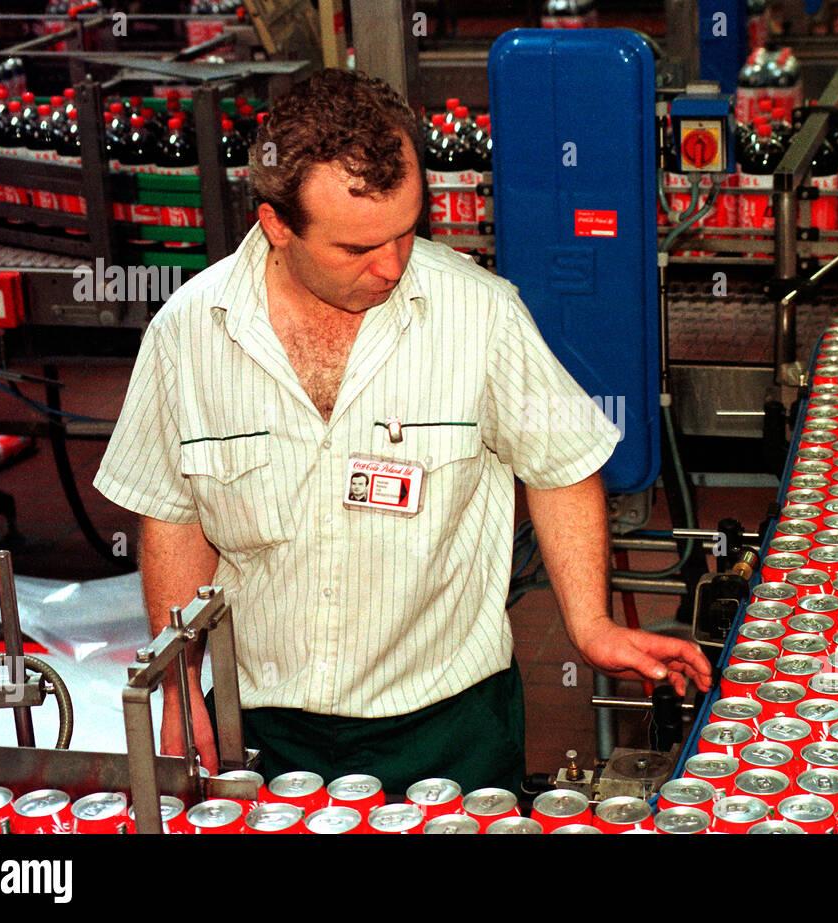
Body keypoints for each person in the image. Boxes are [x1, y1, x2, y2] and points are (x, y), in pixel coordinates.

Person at [94, 68, 711, 793]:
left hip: (449, 726)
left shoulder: (480, 315)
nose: (391, 266)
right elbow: (174, 513)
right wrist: (177, 684)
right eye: (356, 249)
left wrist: (590, 621)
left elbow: (561, 460)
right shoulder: (188, 335)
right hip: (261, 725)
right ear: (277, 225)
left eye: (406, 232)